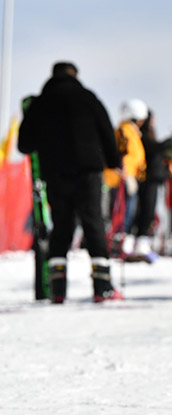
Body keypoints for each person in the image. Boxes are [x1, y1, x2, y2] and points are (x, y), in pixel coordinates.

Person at [17, 61, 123, 303]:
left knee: (61, 227)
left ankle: (57, 288)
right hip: (88, 171)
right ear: (75, 75)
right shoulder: (87, 98)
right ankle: (102, 287)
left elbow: (24, 144)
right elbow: (106, 131)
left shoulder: (40, 103)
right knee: (93, 223)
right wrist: (114, 160)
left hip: (55, 173)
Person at [129, 110, 172, 262]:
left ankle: (141, 243)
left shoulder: (148, 134)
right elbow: (155, 148)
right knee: (144, 211)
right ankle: (135, 243)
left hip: (155, 179)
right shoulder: (142, 135)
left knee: (150, 212)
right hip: (147, 178)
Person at [103, 98, 148, 255]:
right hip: (121, 180)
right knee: (122, 211)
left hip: (127, 179)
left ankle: (119, 240)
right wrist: (127, 175)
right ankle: (117, 241)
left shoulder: (131, 132)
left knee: (127, 211)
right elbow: (125, 155)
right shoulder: (125, 132)